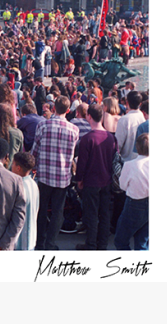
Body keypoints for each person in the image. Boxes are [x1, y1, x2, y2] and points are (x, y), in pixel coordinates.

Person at [31, 95, 79, 250]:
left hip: (44, 173)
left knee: (42, 209)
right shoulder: (74, 129)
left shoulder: (43, 126)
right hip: (63, 175)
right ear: (68, 110)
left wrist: (33, 166)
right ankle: (51, 243)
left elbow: (35, 150)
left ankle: (39, 242)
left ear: (53, 108)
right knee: (58, 211)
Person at [74, 104, 118, 251]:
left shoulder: (87, 139)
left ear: (89, 116)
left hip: (91, 182)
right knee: (104, 214)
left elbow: (82, 163)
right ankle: (102, 244)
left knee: (91, 214)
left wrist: (79, 179)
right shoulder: (111, 138)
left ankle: (91, 244)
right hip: (106, 180)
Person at [114, 133, 149, 250]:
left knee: (121, 240)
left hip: (135, 204)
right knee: (142, 242)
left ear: (137, 147)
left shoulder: (130, 165)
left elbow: (122, 186)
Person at [10, 151, 39, 251]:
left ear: (18, 168)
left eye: (13, 163)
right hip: (31, 238)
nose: (11, 166)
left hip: (18, 241)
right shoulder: (33, 184)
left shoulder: (17, 187)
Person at [116, 90, 145, 162]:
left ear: (127, 103)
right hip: (142, 162)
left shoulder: (124, 120)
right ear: (140, 103)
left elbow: (118, 145)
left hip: (126, 161)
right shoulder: (144, 118)